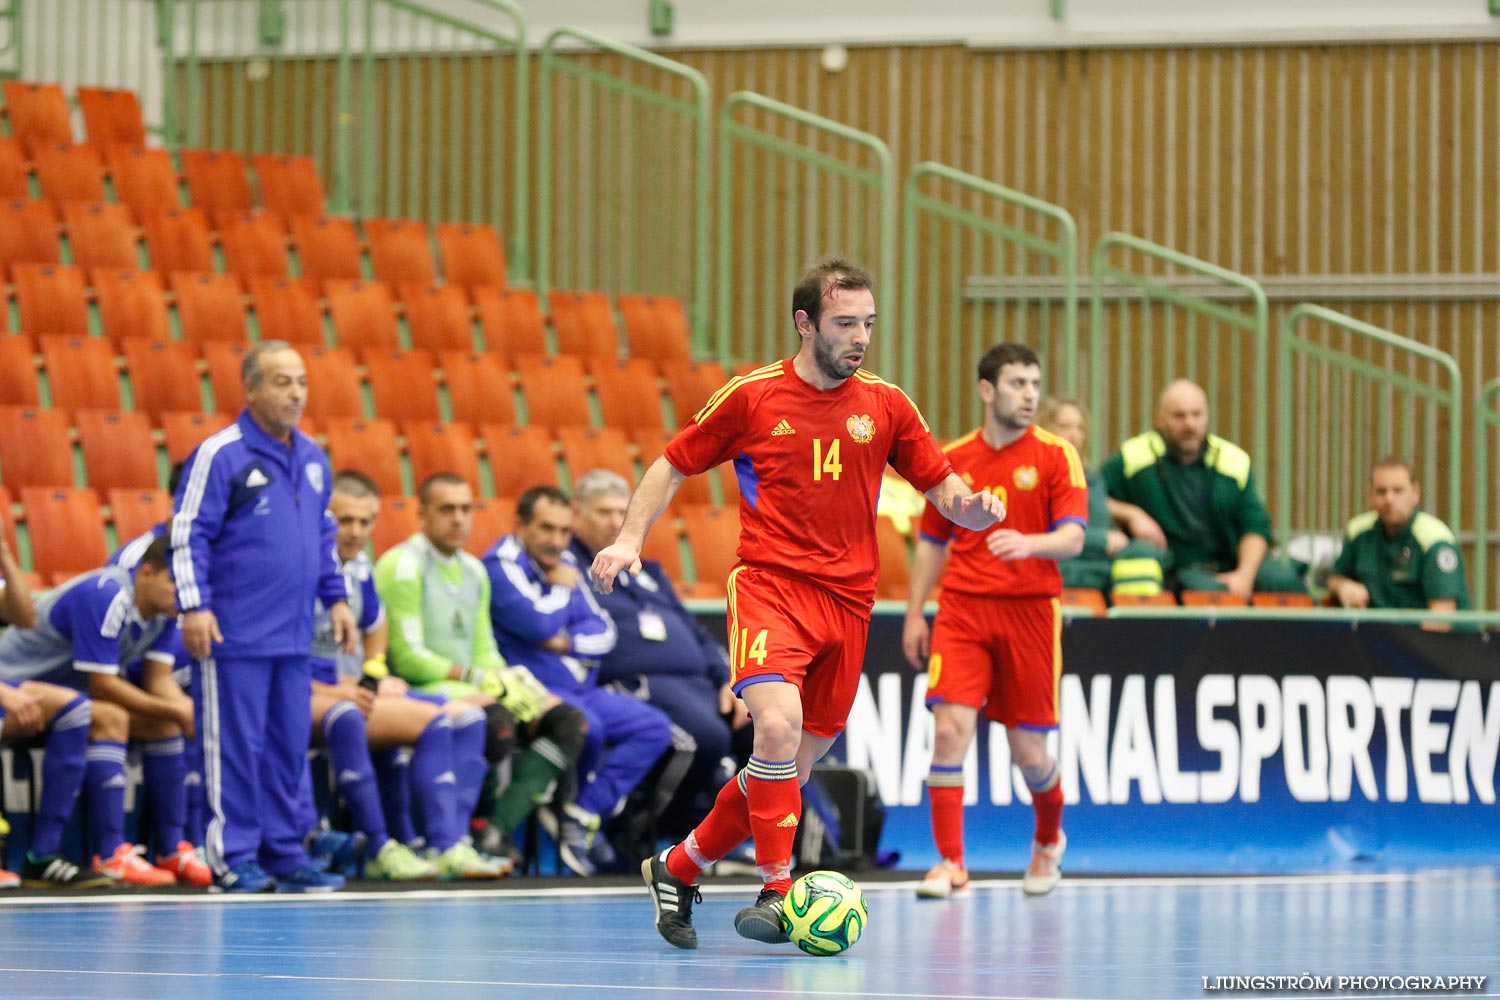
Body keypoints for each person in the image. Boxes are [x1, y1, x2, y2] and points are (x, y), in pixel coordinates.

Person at [590, 256, 1005, 950]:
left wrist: (976, 510)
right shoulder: (753, 397)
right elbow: (671, 463)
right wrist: (630, 538)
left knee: (786, 770)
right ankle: (779, 889)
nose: (861, 336)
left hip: (849, 605)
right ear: (804, 323)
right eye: (846, 323)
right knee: (775, 730)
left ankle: (678, 865)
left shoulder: (888, 405)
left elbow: (945, 490)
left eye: (869, 323)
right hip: (770, 588)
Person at [172, 339, 357, 893]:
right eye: (281, 381)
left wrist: (338, 598)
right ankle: (233, 856)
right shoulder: (220, 454)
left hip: (294, 638)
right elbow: (186, 535)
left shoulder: (314, 458)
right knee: (233, 747)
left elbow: (322, 540)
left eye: (301, 381)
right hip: (233, 635)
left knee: (285, 748)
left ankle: (283, 851)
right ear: (250, 388)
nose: (296, 392)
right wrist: (195, 606)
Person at [902, 344, 1086, 899]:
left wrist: (1028, 542)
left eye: (1035, 383)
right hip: (962, 611)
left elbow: (1074, 537)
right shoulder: (951, 458)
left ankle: (1049, 841)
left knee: (1029, 754)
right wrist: (915, 612)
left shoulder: (1057, 455)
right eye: (1017, 383)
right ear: (987, 390)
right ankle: (950, 862)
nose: (1030, 394)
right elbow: (932, 544)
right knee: (949, 730)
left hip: (1030, 614)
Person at [375, 473, 587, 867]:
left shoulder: (474, 570)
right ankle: (461, 831)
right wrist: (480, 681)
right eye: (446, 509)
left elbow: (484, 648)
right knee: (496, 719)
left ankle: (492, 830)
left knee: (566, 720)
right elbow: (408, 659)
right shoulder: (402, 564)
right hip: (416, 689)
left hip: (465, 685)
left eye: (465, 509)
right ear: (421, 514)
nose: (458, 519)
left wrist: (512, 681)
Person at [307, 471, 503, 879]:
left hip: (355, 690)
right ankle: (384, 846)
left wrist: (373, 672)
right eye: (345, 521)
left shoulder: (360, 567)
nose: (356, 531)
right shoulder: (305, 566)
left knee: (467, 717)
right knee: (383, 719)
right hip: (310, 692)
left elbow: (376, 627)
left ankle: (447, 843)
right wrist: (337, 686)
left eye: (365, 522)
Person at [486, 485, 673, 876]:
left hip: (582, 688)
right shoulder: (501, 564)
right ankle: (561, 821)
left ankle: (582, 812)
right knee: (589, 728)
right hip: (539, 691)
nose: (557, 541)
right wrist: (559, 590)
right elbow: (534, 621)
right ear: (519, 524)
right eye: (546, 529)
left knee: (654, 727)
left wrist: (563, 641)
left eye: (563, 530)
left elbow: (603, 632)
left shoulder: (567, 561)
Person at [0, 536, 199, 886]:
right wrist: (177, 710)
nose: (180, 593)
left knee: (162, 726)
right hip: (16, 683)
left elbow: (158, 681)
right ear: (146, 574)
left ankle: (171, 850)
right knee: (111, 716)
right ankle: (89, 853)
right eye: (174, 581)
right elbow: (103, 686)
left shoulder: (166, 611)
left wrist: (184, 711)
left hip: (62, 696)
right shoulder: (109, 595)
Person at [568, 469, 753, 845]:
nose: (615, 522)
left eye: (622, 512)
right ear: (577, 514)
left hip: (697, 685)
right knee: (708, 737)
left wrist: (724, 679)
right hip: (639, 684)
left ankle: (806, 847)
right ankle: (646, 831)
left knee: (764, 731)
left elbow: (696, 631)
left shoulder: (646, 570)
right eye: (603, 512)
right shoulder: (569, 569)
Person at [1101, 379, 1304, 598]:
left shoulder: (1233, 461)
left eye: (1197, 414)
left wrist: (1244, 574)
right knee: (1209, 592)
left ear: (1207, 416)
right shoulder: (1133, 457)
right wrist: (1132, 514)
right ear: (1160, 419)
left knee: (1285, 582)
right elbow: (1085, 496)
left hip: (1231, 563)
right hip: (1174, 566)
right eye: (1179, 416)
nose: (1190, 424)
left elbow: (1255, 527)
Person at [1035, 398, 1163, 595]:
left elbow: (1100, 521)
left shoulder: (1092, 477)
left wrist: (1110, 537)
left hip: (1098, 560)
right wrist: (1101, 540)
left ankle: (1138, 621)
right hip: (1060, 559)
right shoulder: (1033, 477)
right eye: (1065, 426)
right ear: (1045, 429)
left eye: (1080, 428)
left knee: (1144, 554)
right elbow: (1040, 533)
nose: (1074, 435)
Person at [1327, 457, 1471, 628]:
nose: (1389, 499)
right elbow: (1335, 578)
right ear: (1370, 495)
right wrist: (1344, 586)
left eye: (1398, 491)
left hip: (1439, 647)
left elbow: (1440, 621)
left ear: (1415, 493)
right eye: (1381, 491)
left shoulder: (1434, 540)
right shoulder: (1358, 531)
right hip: (1380, 644)